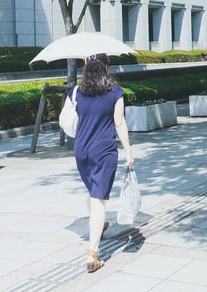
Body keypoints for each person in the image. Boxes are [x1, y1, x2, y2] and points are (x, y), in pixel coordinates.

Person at [72, 53, 134, 273]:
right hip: (103, 151)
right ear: (106, 67)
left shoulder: (77, 91)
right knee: (99, 199)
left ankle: (99, 223)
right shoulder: (115, 92)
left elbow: (66, 118)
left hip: (81, 150)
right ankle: (92, 253)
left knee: (92, 192)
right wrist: (128, 152)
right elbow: (119, 122)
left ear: (87, 67)